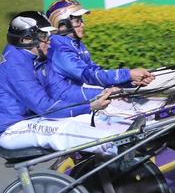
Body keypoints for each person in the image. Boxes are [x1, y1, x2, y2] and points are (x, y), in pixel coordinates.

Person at [0, 11, 118, 154]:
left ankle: (119, 146)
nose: (50, 41)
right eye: (44, 36)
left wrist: (99, 94)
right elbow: (45, 107)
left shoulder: (37, 57)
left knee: (89, 119)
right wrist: (90, 106)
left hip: (33, 120)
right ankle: (118, 150)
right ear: (26, 39)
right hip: (12, 128)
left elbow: (61, 91)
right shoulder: (15, 64)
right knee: (64, 129)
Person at [45, 0, 155, 103]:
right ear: (62, 25)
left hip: (74, 99)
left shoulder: (75, 43)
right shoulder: (58, 49)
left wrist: (131, 82)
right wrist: (128, 74)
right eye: (77, 21)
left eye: (82, 20)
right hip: (61, 105)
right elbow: (89, 76)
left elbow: (96, 72)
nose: (82, 25)